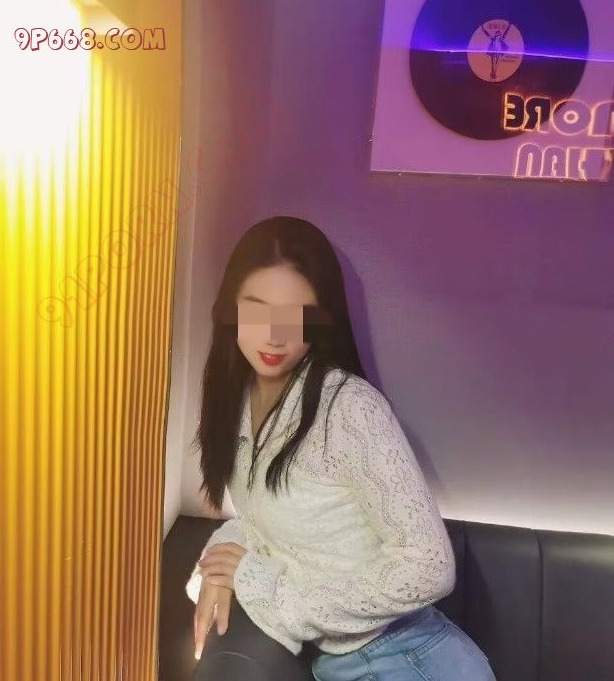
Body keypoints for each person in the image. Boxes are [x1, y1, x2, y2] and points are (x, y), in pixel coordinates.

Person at [185, 216, 496, 680]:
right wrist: (221, 563)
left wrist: (269, 590)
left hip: (412, 658)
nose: (274, 333)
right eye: (257, 307)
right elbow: (268, 520)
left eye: (296, 313)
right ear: (231, 307)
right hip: (343, 664)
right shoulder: (237, 399)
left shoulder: (349, 407)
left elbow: (430, 566)